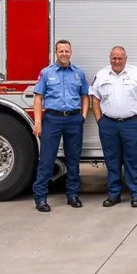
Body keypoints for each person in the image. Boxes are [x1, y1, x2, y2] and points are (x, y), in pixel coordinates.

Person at [90, 46, 137, 208]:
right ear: (109, 58)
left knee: (133, 162)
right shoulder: (101, 75)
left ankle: (136, 195)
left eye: (120, 58)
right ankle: (114, 195)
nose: (117, 61)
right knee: (112, 161)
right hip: (108, 125)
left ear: (126, 59)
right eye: (114, 58)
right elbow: (95, 98)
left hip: (131, 125)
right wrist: (100, 120)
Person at [31, 39, 89, 212]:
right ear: (56, 52)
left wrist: (83, 117)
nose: (64, 54)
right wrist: (38, 122)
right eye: (61, 51)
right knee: (47, 160)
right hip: (53, 119)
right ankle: (40, 198)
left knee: (73, 159)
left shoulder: (78, 73)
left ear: (71, 52)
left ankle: (73, 195)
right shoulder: (47, 73)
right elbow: (38, 98)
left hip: (73, 120)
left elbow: (85, 95)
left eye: (67, 51)